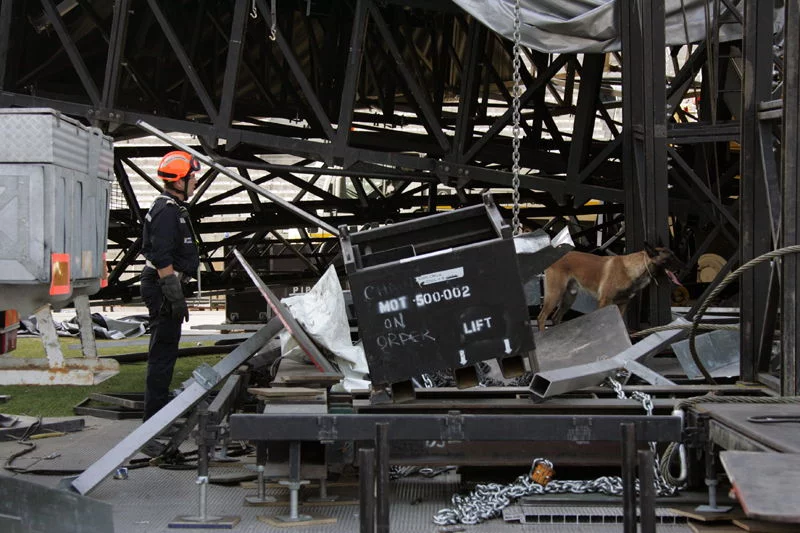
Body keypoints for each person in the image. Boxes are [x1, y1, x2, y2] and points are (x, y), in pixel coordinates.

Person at [140, 150, 200, 421]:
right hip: (162, 285)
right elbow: (160, 253)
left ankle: (159, 414)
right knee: (162, 354)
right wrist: (172, 289)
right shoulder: (166, 211)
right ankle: (153, 422)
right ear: (178, 182)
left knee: (166, 351)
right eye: (192, 176)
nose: (195, 180)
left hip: (165, 284)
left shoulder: (171, 208)